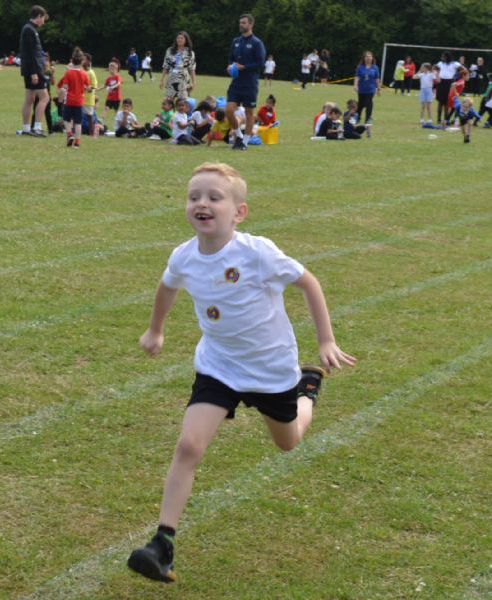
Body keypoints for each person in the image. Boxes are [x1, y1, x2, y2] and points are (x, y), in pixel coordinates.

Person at [127, 162, 356, 583]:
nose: (202, 204)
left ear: (239, 212)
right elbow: (167, 287)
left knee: (288, 441)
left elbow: (309, 283)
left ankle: (307, 391)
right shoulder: (184, 256)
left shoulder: (257, 252)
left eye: (214, 197)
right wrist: (155, 329)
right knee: (189, 445)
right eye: (194, 196)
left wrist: (326, 340)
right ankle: (162, 544)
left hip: (271, 370)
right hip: (219, 367)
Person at [225, 13, 266, 150]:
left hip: (250, 83)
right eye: (240, 22)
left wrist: (244, 67)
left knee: (249, 112)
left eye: (243, 22)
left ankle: (245, 143)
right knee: (228, 110)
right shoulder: (236, 41)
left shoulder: (257, 43)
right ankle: (239, 136)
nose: (241, 25)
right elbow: (231, 58)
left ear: (250, 24)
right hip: (236, 82)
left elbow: (260, 63)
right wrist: (230, 66)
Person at [19, 5, 49, 137]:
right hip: (34, 69)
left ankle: (26, 129)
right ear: (39, 16)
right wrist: (33, 72)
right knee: (45, 97)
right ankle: (36, 127)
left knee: (30, 98)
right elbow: (30, 53)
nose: (44, 22)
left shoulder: (29, 29)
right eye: (43, 19)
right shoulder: (29, 30)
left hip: (32, 69)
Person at [56, 48, 90, 148]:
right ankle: (77, 143)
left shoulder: (68, 73)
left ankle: (69, 134)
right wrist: (85, 88)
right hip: (79, 102)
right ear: (82, 61)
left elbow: (65, 87)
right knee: (78, 123)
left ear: (72, 60)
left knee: (66, 119)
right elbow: (88, 88)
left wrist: (60, 97)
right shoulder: (84, 74)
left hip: (69, 101)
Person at [159, 32, 196, 101]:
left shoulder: (190, 52)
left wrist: (193, 83)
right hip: (171, 79)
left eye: (182, 38)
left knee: (182, 102)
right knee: (168, 101)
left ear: (186, 40)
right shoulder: (169, 50)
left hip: (183, 80)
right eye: (178, 38)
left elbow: (192, 68)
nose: (179, 40)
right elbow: (165, 66)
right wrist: (161, 80)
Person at [353, 50, 380, 133]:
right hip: (361, 89)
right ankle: (357, 117)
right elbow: (357, 77)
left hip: (371, 89)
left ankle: (367, 120)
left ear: (372, 58)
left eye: (370, 56)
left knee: (369, 103)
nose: (368, 58)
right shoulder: (360, 67)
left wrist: (378, 87)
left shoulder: (375, 67)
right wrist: (355, 85)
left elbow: (376, 78)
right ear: (364, 58)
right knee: (360, 104)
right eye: (367, 57)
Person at [31, 52, 55, 134]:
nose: (46, 61)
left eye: (47, 59)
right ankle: (32, 127)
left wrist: (52, 74)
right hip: (38, 94)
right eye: (44, 59)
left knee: (48, 112)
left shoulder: (49, 71)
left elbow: (53, 83)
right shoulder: (39, 70)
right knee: (36, 111)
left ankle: (50, 130)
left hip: (47, 94)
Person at [435, 51, 461, 125]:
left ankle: (446, 119)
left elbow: (463, 69)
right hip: (441, 83)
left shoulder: (454, 64)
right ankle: (438, 119)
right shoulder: (440, 63)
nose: (441, 58)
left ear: (447, 57)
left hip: (449, 83)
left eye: (443, 56)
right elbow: (434, 69)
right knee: (440, 101)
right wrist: (437, 76)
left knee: (447, 101)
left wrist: (457, 77)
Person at [100, 59, 122, 124]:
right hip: (109, 97)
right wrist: (97, 89)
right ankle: (101, 120)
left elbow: (119, 83)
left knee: (116, 110)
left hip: (116, 97)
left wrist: (112, 87)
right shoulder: (108, 78)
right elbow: (104, 86)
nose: (111, 70)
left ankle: (118, 121)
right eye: (110, 69)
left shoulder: (117, 76)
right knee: (106, 108)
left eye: (113, 69)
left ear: (116, 69)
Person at [82, 52, 98, 136]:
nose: (82, 60)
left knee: (89, 116)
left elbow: (94, 86)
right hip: (79, 98)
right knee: (77, 115)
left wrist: (88, 89)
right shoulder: (80, 71)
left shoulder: (91, 73)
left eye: (84, 59)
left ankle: (91, 133)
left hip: (88, 99)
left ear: (88, 61)